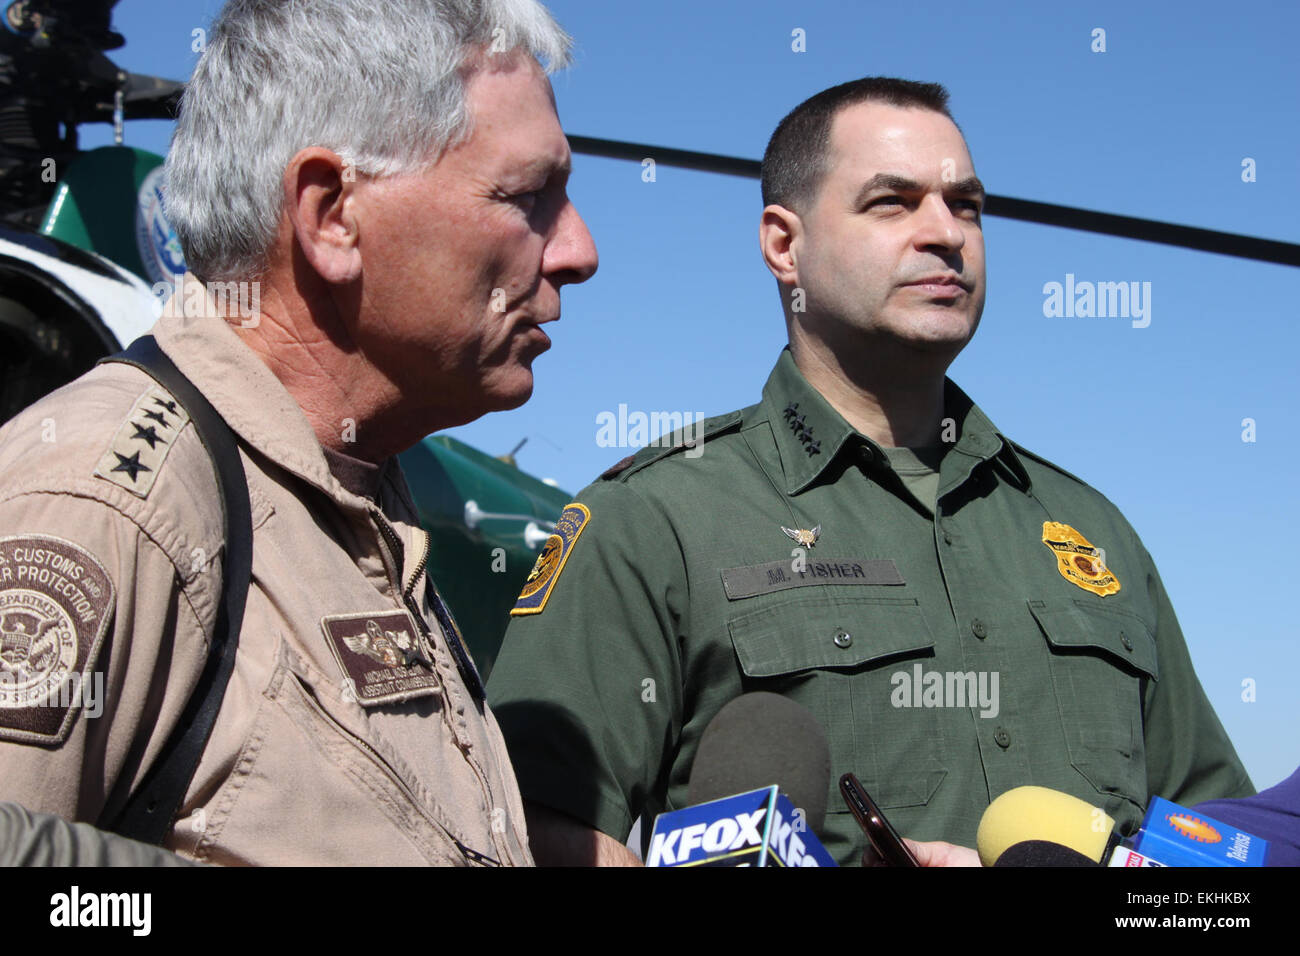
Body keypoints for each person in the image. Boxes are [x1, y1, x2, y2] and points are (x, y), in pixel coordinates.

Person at [486, 77, 1252, 866]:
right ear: (785, 246)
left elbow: (1220, 861)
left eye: (967, 205)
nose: (945, 233)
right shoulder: (653, 520)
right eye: (893, 201)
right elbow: (531, 836)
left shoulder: (1094, 533)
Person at [0, 0, 596, 865]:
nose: (578, 249)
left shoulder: (362, 503)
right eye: (527, 195)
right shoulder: (110, 503)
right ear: (330, 216)